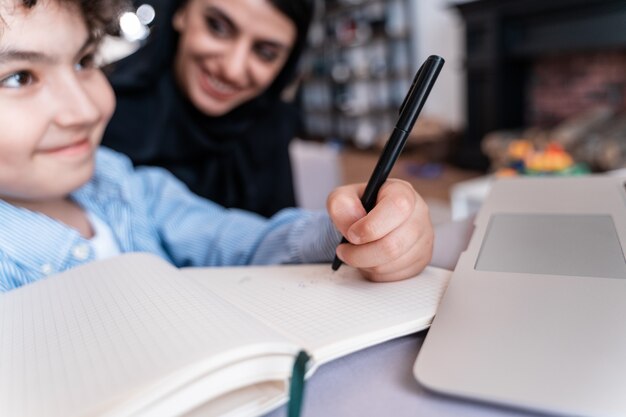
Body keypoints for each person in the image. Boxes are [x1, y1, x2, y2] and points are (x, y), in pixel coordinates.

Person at [0, 0, 434, 292]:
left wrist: (356, 227)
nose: (87, 109)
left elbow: (238, 238)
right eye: (18, 77)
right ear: (182, 13)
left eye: (84, 61)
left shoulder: (123, 181)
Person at [101, 0, 314, 217]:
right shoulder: (102, 109)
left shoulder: (271, 125)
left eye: (266, 53)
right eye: (217, 27)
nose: (232, 70)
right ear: (181, 11)